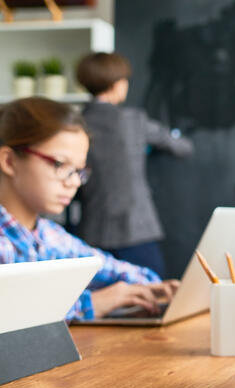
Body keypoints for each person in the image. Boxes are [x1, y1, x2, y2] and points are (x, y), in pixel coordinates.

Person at [0, 97, 179, 320]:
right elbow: (11, 317)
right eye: (60, 164)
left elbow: (109, 268)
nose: (74, 182)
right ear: (9, 161)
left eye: (79, 171)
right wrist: (92, 303)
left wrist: (154, 287)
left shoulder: (50, 235)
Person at [75, 52, 193, 277]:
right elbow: (181, 147)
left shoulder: (77, 122)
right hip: (137, 228)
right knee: (153, 295)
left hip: (92, 229)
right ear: (117, 84)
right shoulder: (133, 120)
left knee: (101, 300)